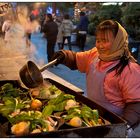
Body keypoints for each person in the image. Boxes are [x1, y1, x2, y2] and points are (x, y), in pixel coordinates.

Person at [51, 19, 140, 137]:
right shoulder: (94, 55)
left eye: (105, 41)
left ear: (118, 41)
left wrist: (123, 126)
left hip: (112, 123)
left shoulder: (129, 69)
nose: (100, 45)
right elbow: (77, 59)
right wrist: (64, 55)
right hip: (91, 116)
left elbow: (136, 104)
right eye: (98, 40)